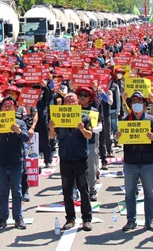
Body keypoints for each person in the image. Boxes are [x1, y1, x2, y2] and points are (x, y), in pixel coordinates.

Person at [116, 91, 153, 232]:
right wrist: (117, 136)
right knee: (130, 193)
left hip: (147, 162)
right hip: (130, 162)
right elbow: (119, 138)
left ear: (144, 104)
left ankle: (150, 221)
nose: (137, 104)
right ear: (130, 104)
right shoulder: (125, 120)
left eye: (140, 102)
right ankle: (131, 221)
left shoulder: (151, 120)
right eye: (134, 102)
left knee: (149, 193)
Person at [48, 93, 93, 232]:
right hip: (65, 159)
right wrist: (51, 128)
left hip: (80, 159)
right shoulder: (59, 118)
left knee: (83, 190)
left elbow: (90, 135)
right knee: (67, 191)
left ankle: (86, 219)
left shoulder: (85, 118)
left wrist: (82, 128)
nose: (70, 104)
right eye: (67, 102)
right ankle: (70, 218)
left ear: (77, 104)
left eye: (73, 102)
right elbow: (52, 136)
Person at [0, 96, 29, 230]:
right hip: (2, 162)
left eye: (11, 106)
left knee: (17, 191)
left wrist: (19, 132)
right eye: (5, 105)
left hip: (16, 162)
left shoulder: (20, 123)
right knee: (3, 193)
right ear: (1, 107)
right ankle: (2, 218)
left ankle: (18, 218)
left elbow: (26, 138)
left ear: (15, 108)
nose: (8, 107)